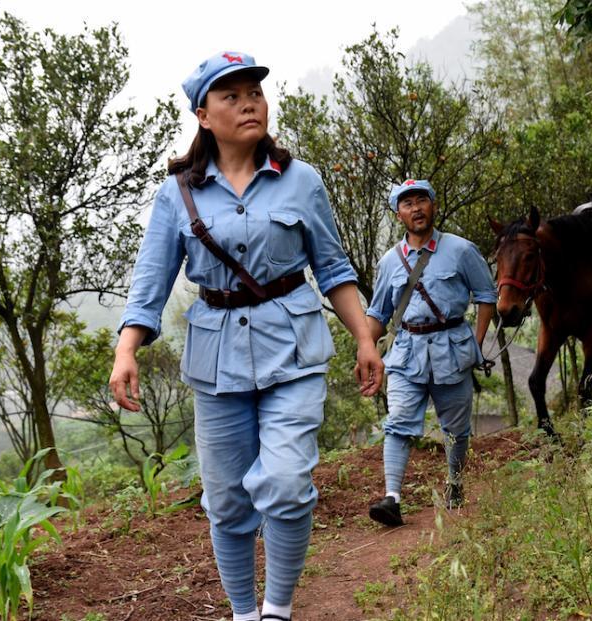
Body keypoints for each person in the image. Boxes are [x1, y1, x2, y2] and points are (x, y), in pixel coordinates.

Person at [109, 51, 383, 621]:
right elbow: (151, 279)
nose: (248, 103)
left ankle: (276, 608)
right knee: (228, 501)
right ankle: (243, 612)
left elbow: (332, 268)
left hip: (294, 351)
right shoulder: (178, 193)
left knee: (285, 484)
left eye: (254, 92)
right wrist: (127, 348)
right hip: (217, 363)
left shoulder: (301, 180)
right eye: (230, 96)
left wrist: (364, 338)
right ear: (203, 115)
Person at [362, 179, 496, 526]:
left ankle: (455, 484)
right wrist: (365, 349)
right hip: (407, 352)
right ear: (399, 215)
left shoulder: (461, 250)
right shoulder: (389, 262)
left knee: (457, 430)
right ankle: (392, 498)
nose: (416, 208)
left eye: (422, 200)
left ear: (433, 206)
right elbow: (378, 314)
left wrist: (476, 344)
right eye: (407, 204)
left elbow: (486, 296)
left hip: (452, 350)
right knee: (398, 423)